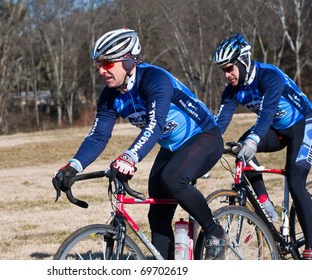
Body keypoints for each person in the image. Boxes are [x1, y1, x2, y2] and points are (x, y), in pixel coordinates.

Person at [53, 28, 226, 260]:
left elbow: (155, 125)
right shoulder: (110, 95)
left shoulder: (155, 80)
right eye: (98, 64)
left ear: (127, 61)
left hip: (204, 136)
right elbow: (98, 137)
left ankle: (214, 231)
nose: (101, 70)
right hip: (172, 147)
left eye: (107, 64)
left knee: (173, 179)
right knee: (157, 217)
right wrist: (73, 166)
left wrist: (129, 157)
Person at [213, 33, 312, 260]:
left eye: (229, 68)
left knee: (295, 180)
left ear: (244, 61)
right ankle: (265, 202)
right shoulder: (232, 90)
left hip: (304, 123)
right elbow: (219, 124)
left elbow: (266, 113)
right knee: (240, 150)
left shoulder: (269, 76)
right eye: (223, 71)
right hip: (277, 130)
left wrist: (254, 139)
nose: (227, 75)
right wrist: (206, 147)